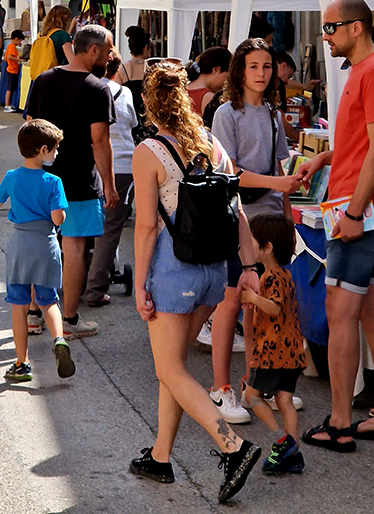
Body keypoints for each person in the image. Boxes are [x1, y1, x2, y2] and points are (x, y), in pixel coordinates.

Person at [129, 61, 261, 503]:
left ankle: (232, 446)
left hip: (173, 270)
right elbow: (237, 209)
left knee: (169, 368)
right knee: (175, 366)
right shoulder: (210, 143)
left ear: (148, 102)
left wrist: (139, 284)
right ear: (187, 98)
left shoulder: (149, 150)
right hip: (213, 272)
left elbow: (146, 227)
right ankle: (161, 456)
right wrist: (249, 266)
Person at [300, 0, 374, 452]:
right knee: (373, 311)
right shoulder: (369, 69)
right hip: (366, 210)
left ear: (355, 27)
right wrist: (325, 156)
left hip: (362, 212)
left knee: (340, 313)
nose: (325, 36)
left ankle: (341, 421)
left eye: (330, 27)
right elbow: (366, 142)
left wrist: (354, 213)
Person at [207, 38, 301, 423]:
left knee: (260, 305)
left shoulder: (274, 115)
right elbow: (230, 173)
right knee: (231, 300)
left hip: (268, 218)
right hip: (236, 215)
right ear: (240, 71)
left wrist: (286, 211)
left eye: (267, 66)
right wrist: (279, 185)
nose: (261, 73)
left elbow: (281, 168)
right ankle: (220, 388)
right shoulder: (226, 113)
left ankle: (255, 385)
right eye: (253, 66)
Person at [26, 25, 118, 339]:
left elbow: (30, 129)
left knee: (40, 245)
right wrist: (110, 185)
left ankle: (34, 314)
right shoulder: (97, 88)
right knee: (75, 249)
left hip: (42, 178)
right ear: (93, 50)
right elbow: (100, 141)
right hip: (79, 181)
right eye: (108, 50)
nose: (110, 56)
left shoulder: (42, 80)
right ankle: (68, 318)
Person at [0, 119, 76, 382]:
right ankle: (59, 340)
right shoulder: (53, 181)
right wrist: (60, 214)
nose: (56, 154)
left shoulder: (12, 177)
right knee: (49, 300)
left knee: (18, 304)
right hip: (46, 245)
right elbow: (58, 218)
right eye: (55, 149)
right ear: (42, 150)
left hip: (20, 246)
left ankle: (22, 363)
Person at [240, 214, 307, 475]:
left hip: (273, 351)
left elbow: (275, 308)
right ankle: (293, 451)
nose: (248, 245)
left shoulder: (271, 277)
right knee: (284, 399)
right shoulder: (285, 274)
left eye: (252, 241)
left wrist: (252, 298)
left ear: (267, 247)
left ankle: (282, 440)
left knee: (251, 396)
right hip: (291, 351)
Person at [85, 46, 138, 307]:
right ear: (117, 70)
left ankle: (79, 279)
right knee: (110, 231)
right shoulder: (124, 92)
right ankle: (95, 289)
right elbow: (132, 124)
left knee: (83, 227)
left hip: (91, 164)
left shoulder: (85, 89)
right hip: (123, 165)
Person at [116, 25, 151, 121]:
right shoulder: (151, 69)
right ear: (145, 48)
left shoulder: (122, 69)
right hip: (149, 119)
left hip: (129, 118)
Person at [186, 47, 232, 116]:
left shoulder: (181, 90)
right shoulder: (209, 97)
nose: (228, 81)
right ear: (216, 70)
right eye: (227, 76)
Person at [3, 30, 25, 113]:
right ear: (16, 39)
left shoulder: (9, 46)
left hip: (11, 69)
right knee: (10, 89)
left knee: (10, 88)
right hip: (12, 70)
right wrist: (18, 60)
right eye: (20, 41)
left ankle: (8, 104)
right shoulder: (12, 47)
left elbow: (6, 58)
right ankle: (7, 105)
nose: (20, 43)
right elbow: (9, 57)